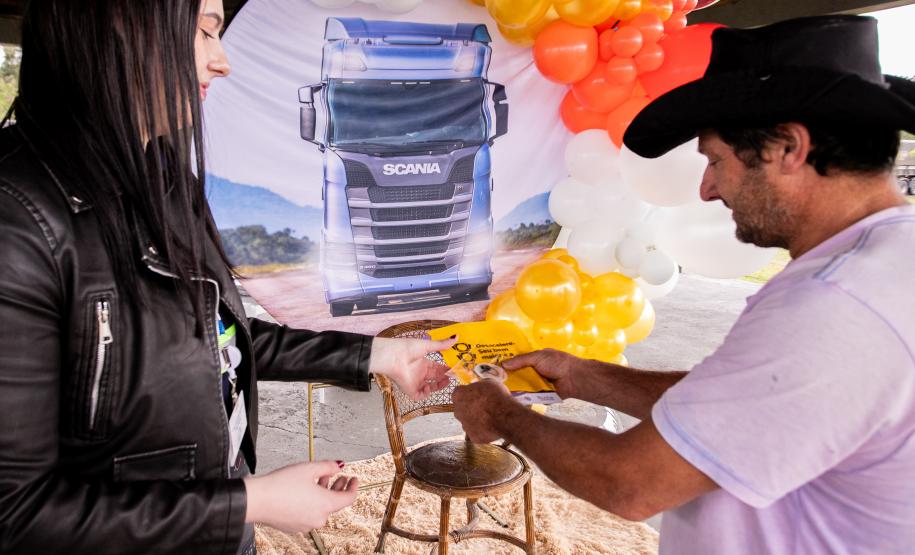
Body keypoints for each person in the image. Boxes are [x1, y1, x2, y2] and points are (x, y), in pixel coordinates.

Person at [0, 1, 454, 554]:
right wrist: (251, 501)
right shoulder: (19, 221)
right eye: (204, 31)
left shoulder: (162, 174)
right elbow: (18, 514)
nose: (222, 61)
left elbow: (214, 336)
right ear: (121, 26)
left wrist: (381, 356)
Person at [453, 15, 915, 555]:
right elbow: (741, 405)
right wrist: (583, 375)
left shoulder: (836, 302)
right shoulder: (884, 264)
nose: (707, 188)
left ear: (788, 148)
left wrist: (502, 414)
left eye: (716, 161)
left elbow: (630, 483)